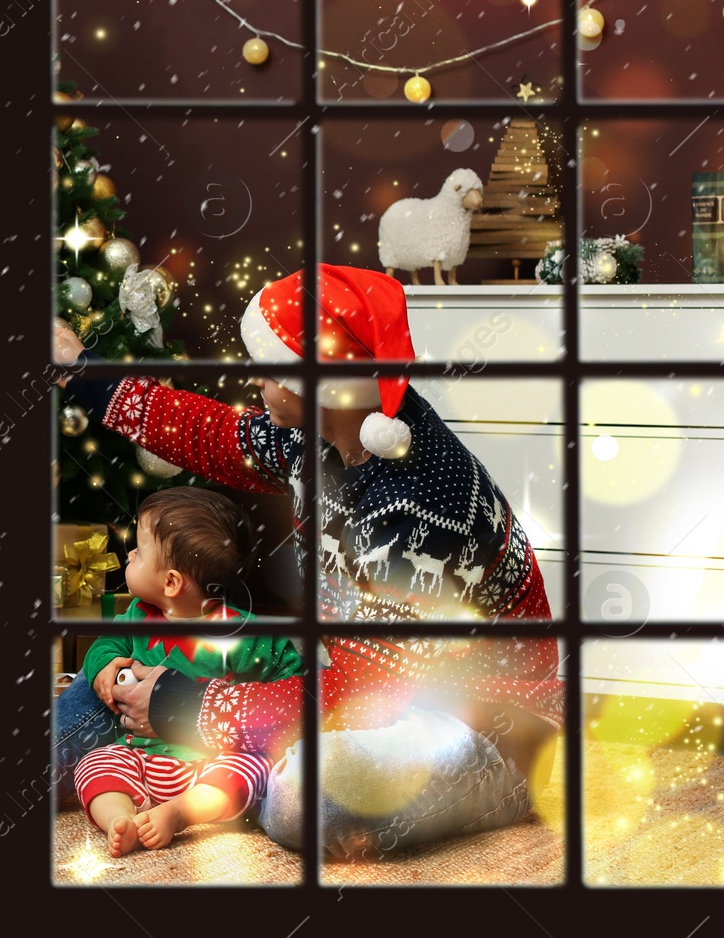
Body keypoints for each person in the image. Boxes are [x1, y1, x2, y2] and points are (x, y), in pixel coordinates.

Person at [52, 265, 561, 861]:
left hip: (476, 721)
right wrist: (80, 372)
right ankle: (211, 775)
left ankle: (502, 789)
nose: (256, 381)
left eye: (270, 369)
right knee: (102, 686)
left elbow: (372, 691)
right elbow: (212, 435)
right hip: (351, 687)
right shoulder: (327, 431)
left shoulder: (417, 507)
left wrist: (189, 704)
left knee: (305, 804)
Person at [72, 488, 301, 857]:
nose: (129, 555)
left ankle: (180, 813)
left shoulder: (242, 632)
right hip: (141, 757)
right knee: (95, 763)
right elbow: (106, 646)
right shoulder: (137, 616)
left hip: (210, 762)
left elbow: (291, 675)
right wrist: (103, 667)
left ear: (171, 583)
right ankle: (120, 817)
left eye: (139, 551)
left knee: (251, 770)